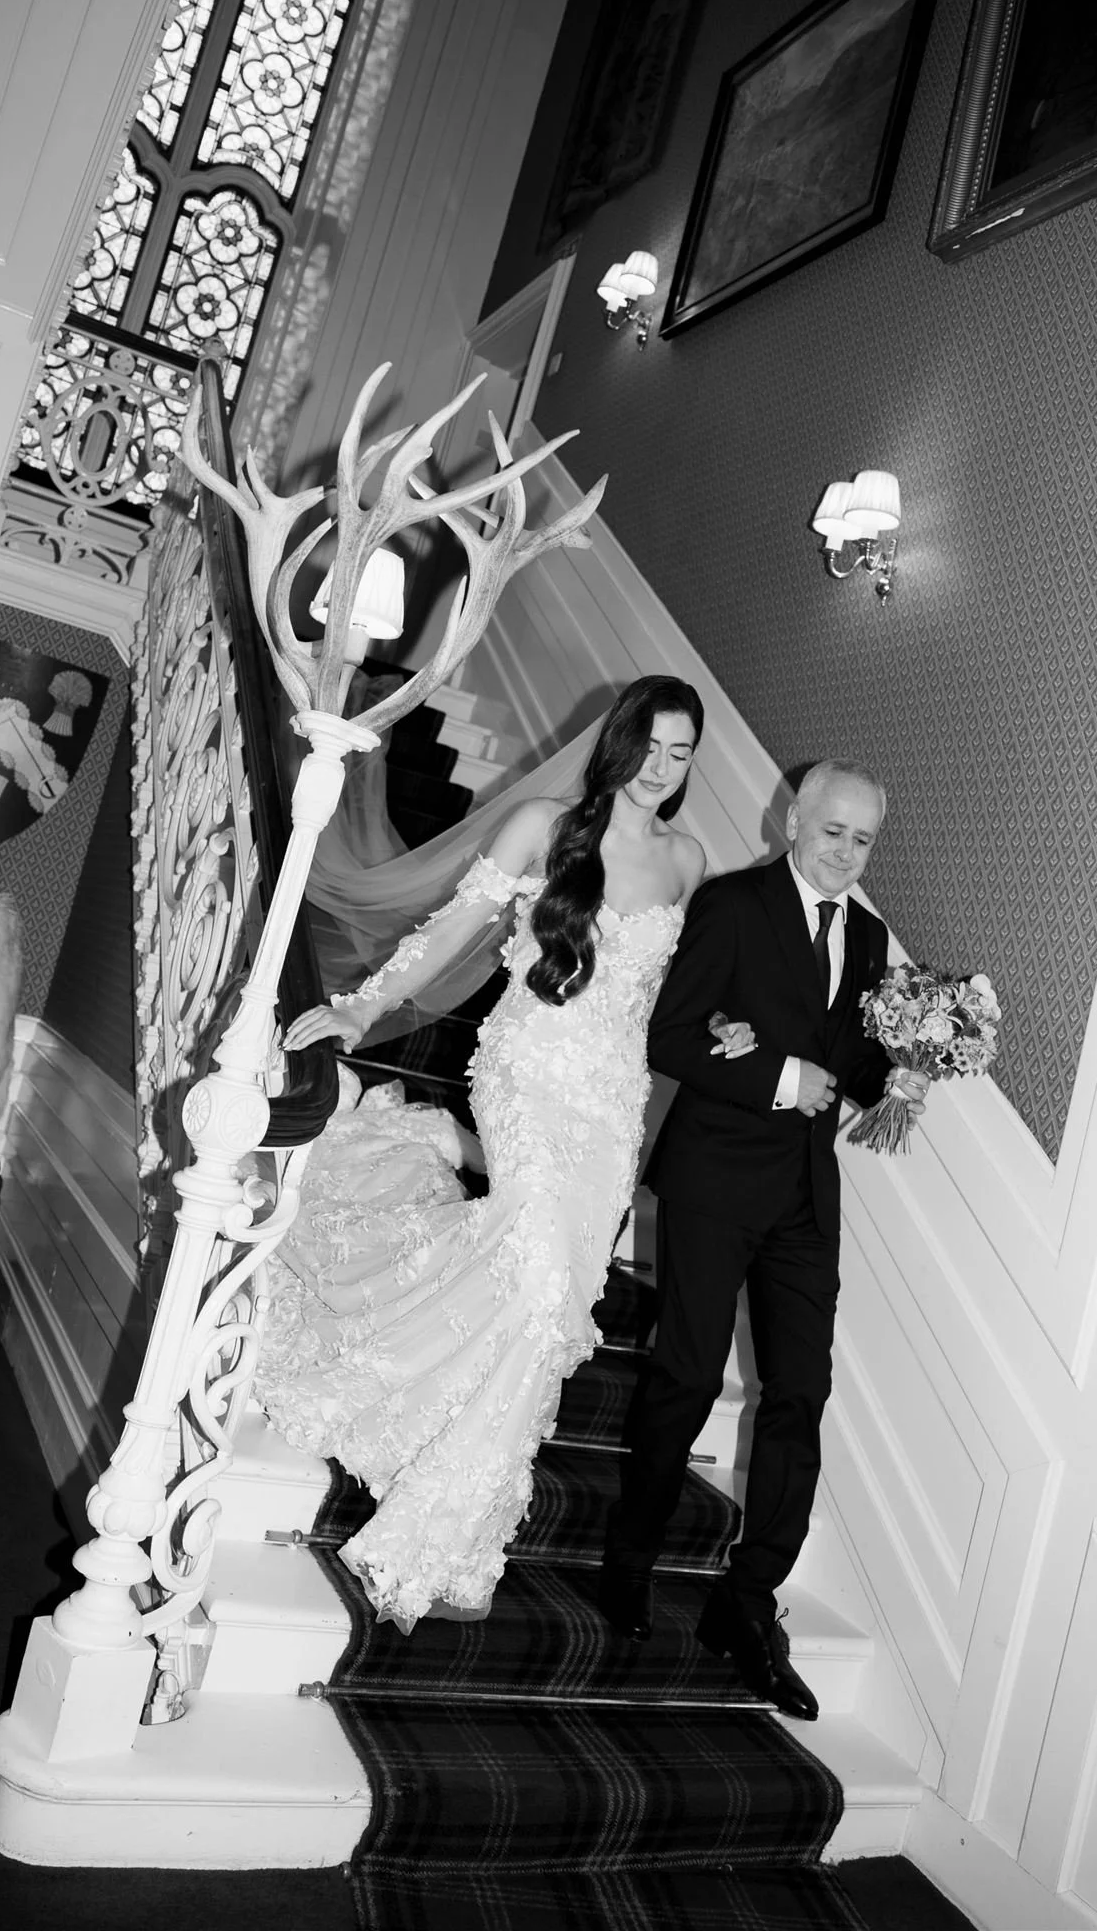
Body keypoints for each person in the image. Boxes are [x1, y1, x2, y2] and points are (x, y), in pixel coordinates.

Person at [256, 677, 755, 1630]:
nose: (661, 767)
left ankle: (465, 1522)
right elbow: (453, 924)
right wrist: (366, 1003)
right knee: (533, 1282)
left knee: (555, 1308)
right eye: (648, 744)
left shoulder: (690, 861)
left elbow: (674, 995)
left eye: (681, 751)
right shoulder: (541, 824)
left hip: (611, 1105)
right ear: (616, 743)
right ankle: (426, 1533)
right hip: (526, 1070)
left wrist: (725, 1025)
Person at [600, 760, 929, 1718]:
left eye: (863, 840)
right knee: (688, 1376)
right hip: (712, 1182)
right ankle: (630, 1561)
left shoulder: (866, 936)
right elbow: (671, 1035)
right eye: (832, 832)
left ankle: (746, 1606)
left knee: (800, 1395)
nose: (845, 854)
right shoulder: (734, 904)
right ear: (792, 819)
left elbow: (853, 1057)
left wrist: (902, 1070)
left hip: (803, 1199)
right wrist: (782, 1077)